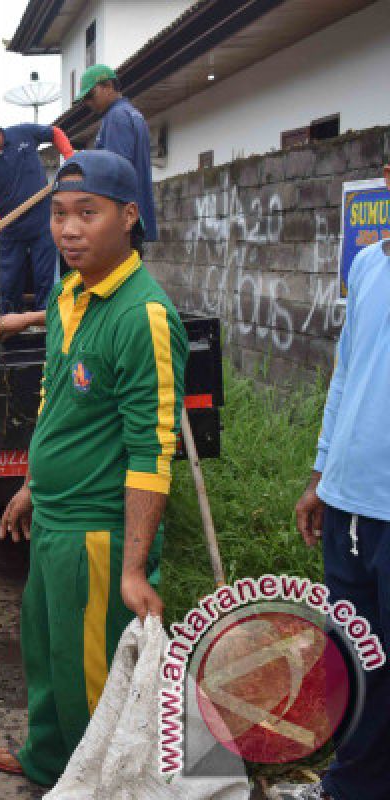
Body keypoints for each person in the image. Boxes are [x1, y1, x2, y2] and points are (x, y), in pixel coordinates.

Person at [0, 151, 187, 786]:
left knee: (92, 673)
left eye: (87, 214)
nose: (69, 230)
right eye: (59, 215)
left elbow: (153, 451)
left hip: (97, 534)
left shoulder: (143, 316)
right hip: (54, 514)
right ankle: (51, 758)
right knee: (46, 651)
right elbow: (55, 397)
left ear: (128, 218)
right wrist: (29, 486)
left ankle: (100, 781)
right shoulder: (69, 292)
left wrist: (132, 566)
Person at [291, 163, 390, 800]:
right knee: (357, 657)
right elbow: (345, 375)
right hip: (349, 504)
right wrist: (322, 476)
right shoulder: (370, 266)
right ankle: (349, 787)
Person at [0, 111, 73, 318]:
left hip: (43, 226)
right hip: (11, 230)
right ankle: (10, 326)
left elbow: (55, 133)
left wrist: (71, 158)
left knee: (47, 280)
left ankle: (47, 326)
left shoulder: (23, 134)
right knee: (9, 283)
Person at [78, 64, 158, 242]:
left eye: (90, 96)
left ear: (107, 86)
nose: (88, 103)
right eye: (84, 100)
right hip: (135, 216)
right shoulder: (133, 114)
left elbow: (117, 171)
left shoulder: (116, 117)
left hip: (122, 220)